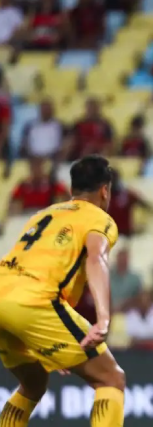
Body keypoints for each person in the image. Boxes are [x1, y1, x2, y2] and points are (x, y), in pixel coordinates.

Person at [0, 155, 125, 427]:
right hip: (33, 301)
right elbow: (96, 258)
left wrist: (50, 343)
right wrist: (103, 318)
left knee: (33, 383)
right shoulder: (99, 219)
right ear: (105, 190)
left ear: (72, 190)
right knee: (110, 379)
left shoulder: (45, 213)